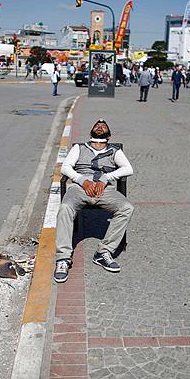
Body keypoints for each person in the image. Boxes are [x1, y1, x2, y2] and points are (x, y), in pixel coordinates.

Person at [54, 119, 134, 283]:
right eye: (97, 125)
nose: (100, 126)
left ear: (108, 135)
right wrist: (82, 180)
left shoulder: (114, 151)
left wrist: (105, 178)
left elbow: (128, 169)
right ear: (91, 132)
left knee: (126, 208)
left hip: (104, 190)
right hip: (79, 188)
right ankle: (63, 258)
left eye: (104, 126)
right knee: (65, 207)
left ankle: (103, 252)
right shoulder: (79, 148)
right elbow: (65, 167)